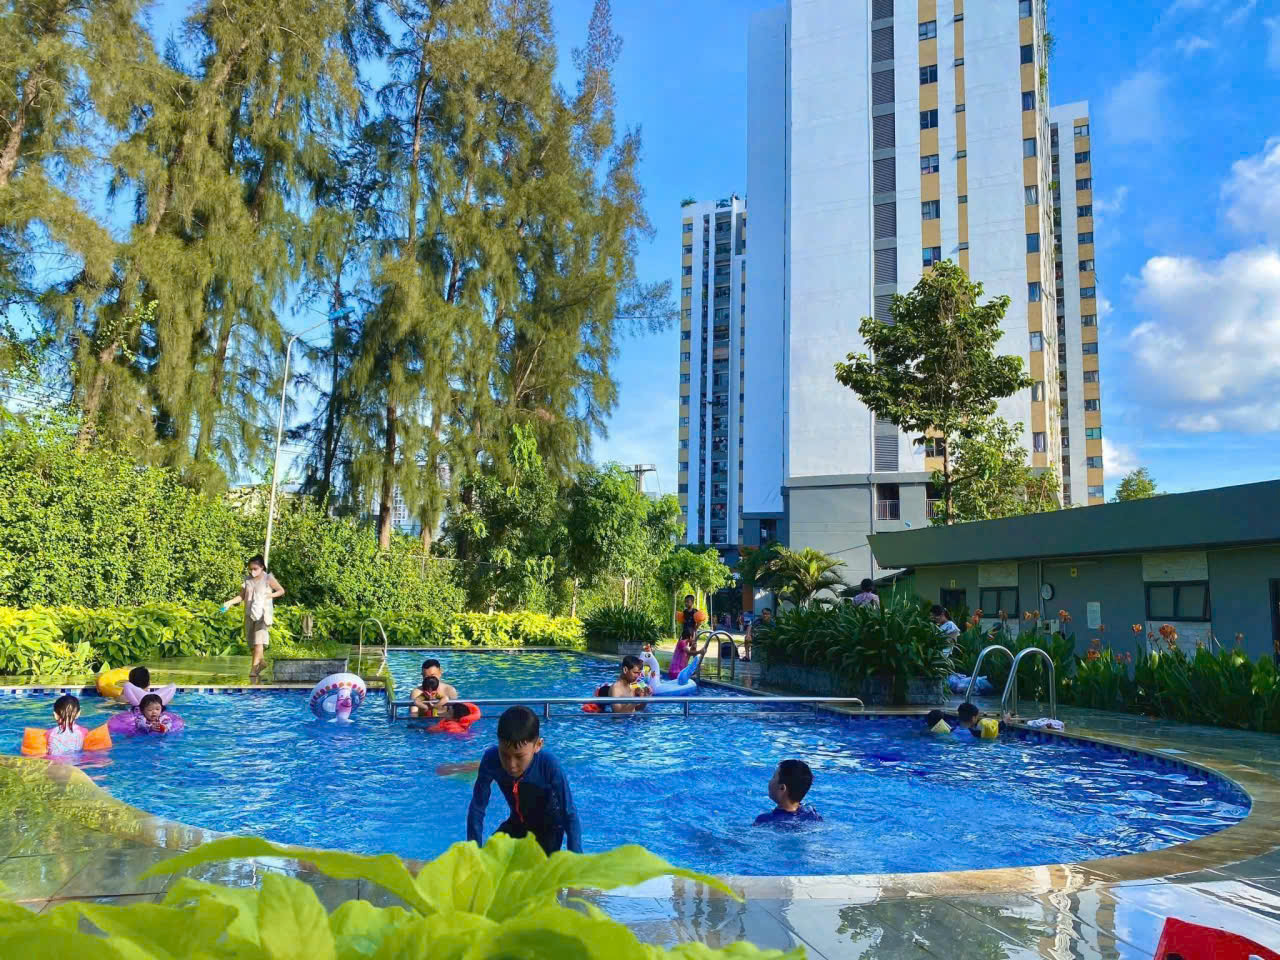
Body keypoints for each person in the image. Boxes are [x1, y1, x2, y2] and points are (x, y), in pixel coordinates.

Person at [467, 706, 582, 854]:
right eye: (505, 755)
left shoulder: (548, 764)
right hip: (516, 824)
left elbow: (569, 813)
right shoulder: (491, 759)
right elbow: (477, 808)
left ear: (538, 745)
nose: (511, 765)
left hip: (549, 830)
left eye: (519, 757)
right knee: (488, 856)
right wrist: (473, 850)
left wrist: (576, 857)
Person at [221, 555, 284, 680]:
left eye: (255, 569)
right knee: (251, 644)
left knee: (258, 642)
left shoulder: (268, 578)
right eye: (250, 569)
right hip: (249, 614)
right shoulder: (247, 580)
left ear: (262, 567)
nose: (252, 571)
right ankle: (262, 663)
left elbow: (281, 590)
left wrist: (269, 595)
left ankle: (253, 669)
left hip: (263, 614)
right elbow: (241, 596)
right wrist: (229, 602)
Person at [753, 759, 822, 827]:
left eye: (773, 777)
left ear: (782, 788)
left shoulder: (764, 820)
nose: (770, 781)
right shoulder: (811, 813)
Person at [670, 596, 699, 678]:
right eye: (685, 602)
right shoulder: (685, 612)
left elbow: (697, 624)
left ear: (692, 602)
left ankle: (695, 669)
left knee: (693, 650)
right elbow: (684, 623)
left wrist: (694, 632)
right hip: (685, 633)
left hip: (692, 633)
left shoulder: (695, 612)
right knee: (685, 652)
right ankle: (684, 667)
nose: (686, 603)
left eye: (687, 602)